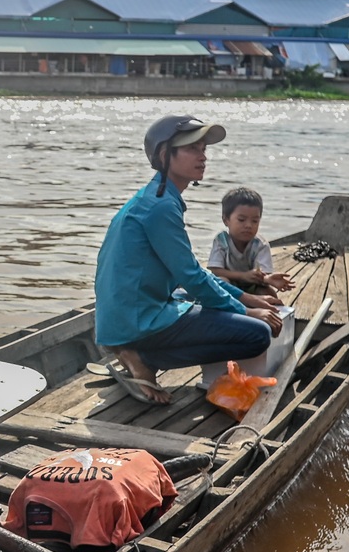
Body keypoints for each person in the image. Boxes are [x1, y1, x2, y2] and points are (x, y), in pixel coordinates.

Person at [93, 117, 283, 405]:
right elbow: (192, 277)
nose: (203, 156)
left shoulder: (158, 197)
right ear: (163, 155)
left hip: (131, 309)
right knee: (257, 334)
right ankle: (141, 355)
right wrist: (245, 310)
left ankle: (134, 347)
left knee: (193, 296)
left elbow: (192, 273)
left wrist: (248, 298)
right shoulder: (159, 207)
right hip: (134, 318)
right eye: (192, 148)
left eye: (203, 148)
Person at [207, 186, 294, 296]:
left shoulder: (260, 244)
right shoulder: (221, 240)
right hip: (229, 283)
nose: (248, 225)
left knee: (268, 293)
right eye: (241, 220)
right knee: (222, 282)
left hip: (252, 286)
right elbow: (216, 270)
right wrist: (243, 276)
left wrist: (268, 279)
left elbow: (263, 273)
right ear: (226, 220)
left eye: (255, 221)